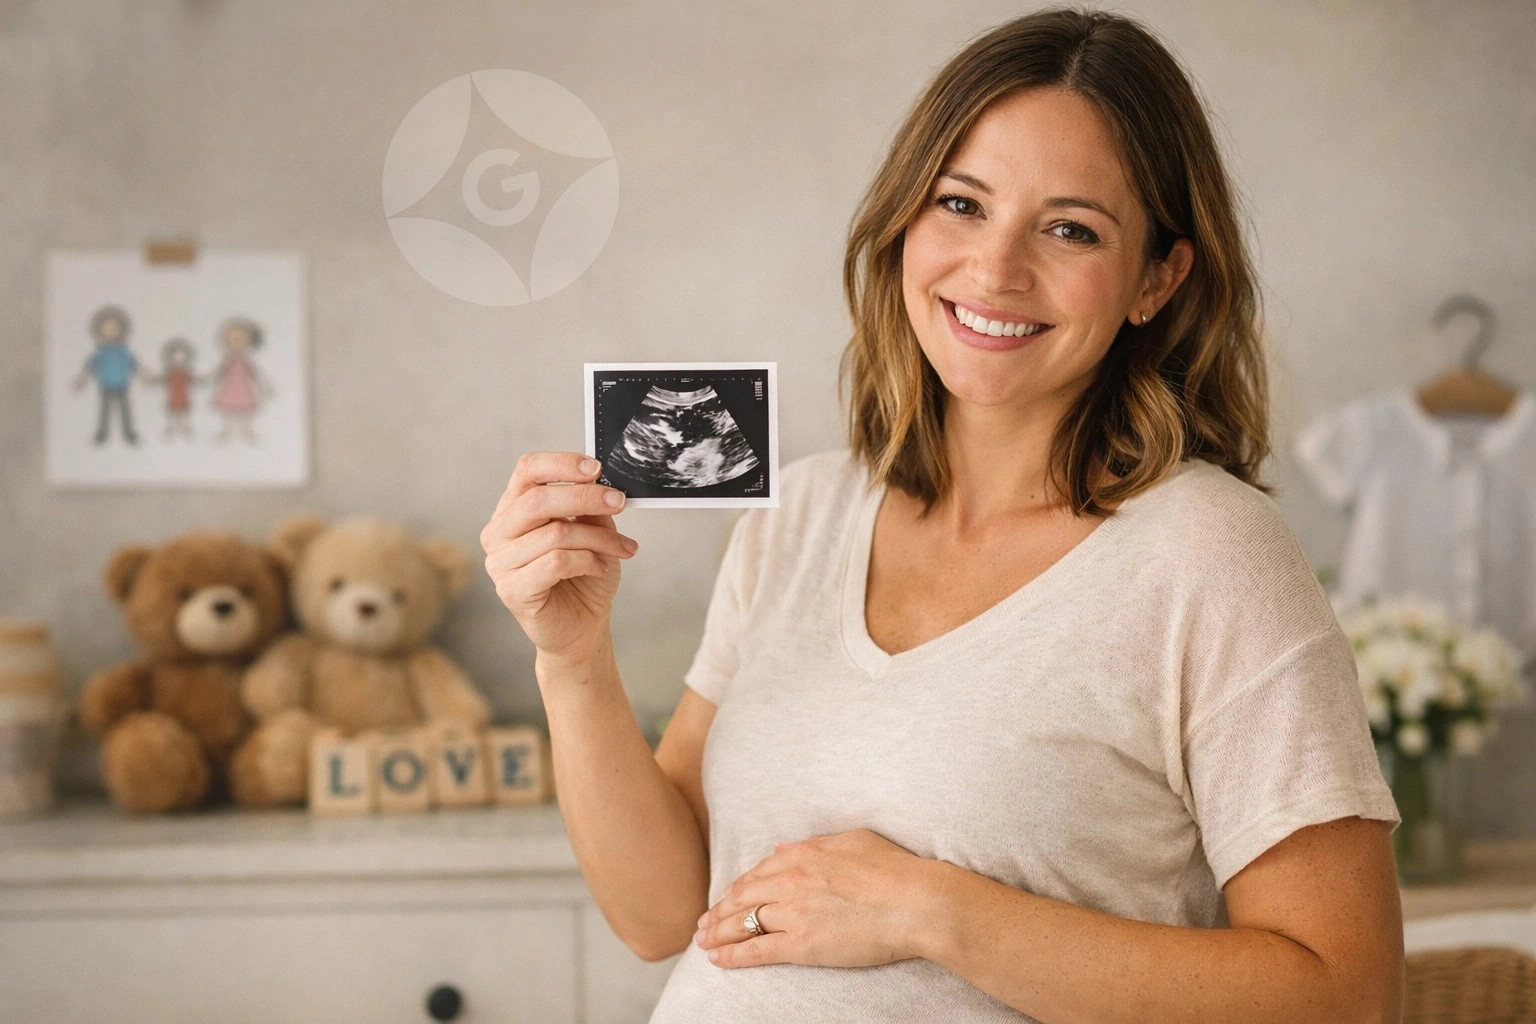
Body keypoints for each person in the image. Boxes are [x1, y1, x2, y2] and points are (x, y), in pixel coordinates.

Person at [480, 9, 1403, 1022]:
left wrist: (934, 911)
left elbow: (1344, 992)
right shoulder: (802, 514)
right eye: (962, 204)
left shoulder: (1208, 555)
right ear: (905, 222)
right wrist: (572, 661)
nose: (996, 269)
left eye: (1071, 228)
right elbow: (659, 914)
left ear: (1157, 277)